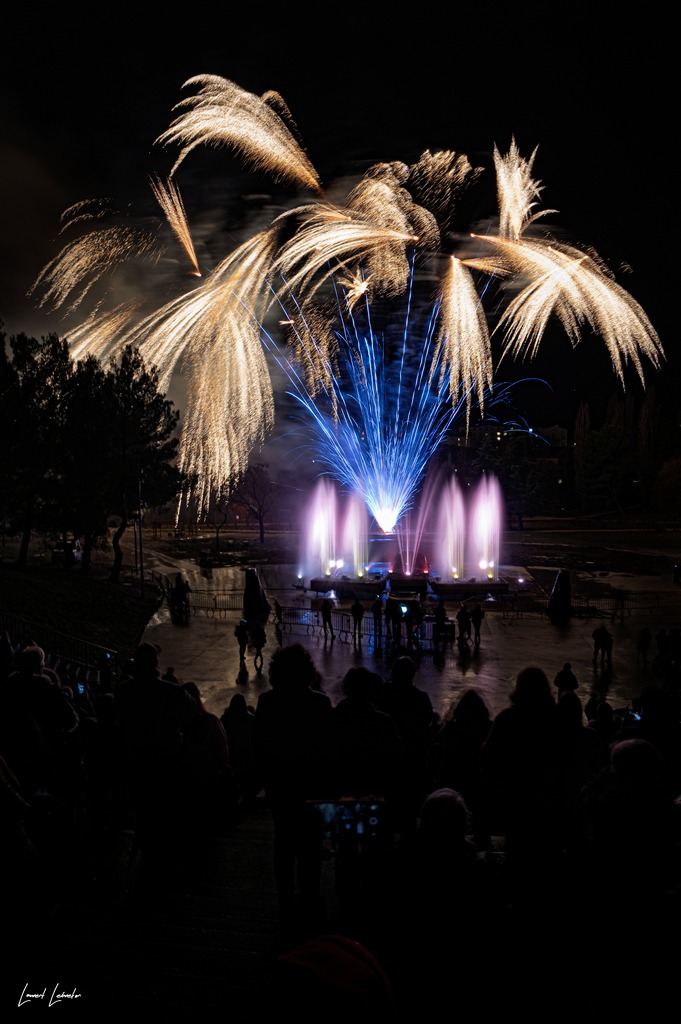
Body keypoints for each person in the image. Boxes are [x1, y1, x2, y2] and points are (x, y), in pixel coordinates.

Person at [253, 643, 336, 934]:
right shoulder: (320, 704)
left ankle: (286, 905)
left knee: (284, 845)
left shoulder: (267, 703)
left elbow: (261, 746)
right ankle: (309, 901)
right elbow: (328, 750)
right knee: (311, 849)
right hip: (311, 786)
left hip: (281, 786)